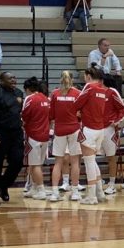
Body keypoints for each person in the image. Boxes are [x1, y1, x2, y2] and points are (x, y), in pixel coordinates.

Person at [75, 66, 124, 204]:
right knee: (92, 160)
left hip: (90, 129)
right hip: (100, 130)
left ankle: (91, 196)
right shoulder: (102, 90)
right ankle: (99, 192)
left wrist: (79, 112)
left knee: (89, 162)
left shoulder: (89, 87)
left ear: (88, 76)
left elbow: (76, 104)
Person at [48, 70, 83, 201]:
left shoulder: (55, 93)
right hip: (74, 128)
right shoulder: (78, 94)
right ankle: (74, 192)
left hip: (59, 129)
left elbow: (51, 115)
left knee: (58, 162)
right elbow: (81, 113)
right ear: (72, 79)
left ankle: (55, 193)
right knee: (75, 162)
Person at [0, 72, 24, 205]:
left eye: (14, 77)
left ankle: (4, 185)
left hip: (16, 133)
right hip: (0, 133)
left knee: (18, 161)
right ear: (2, 81)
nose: (13, 80)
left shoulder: (19, 92)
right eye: (10, 78)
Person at [21, 77, 51, 200]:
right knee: (37, 164)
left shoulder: (29, 98)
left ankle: (41, 189)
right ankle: (34, 188)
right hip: (45, 135)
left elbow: (24, 115)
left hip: (33, 135)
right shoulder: (46, 98)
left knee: (35, 164)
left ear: (28, 89)